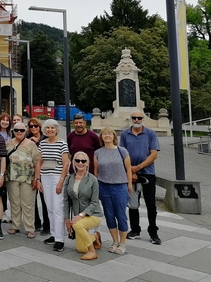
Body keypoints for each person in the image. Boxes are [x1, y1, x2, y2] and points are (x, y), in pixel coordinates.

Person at [119, 110, 161, 245]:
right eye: (134, 118)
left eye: (139, 118)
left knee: (151, 204)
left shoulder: (150, 134)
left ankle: (153, 232)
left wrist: (137, 168)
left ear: (143, 119)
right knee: (132, 203)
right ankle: (135, 229)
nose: (136, 120)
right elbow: (123, 154)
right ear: (131, 119)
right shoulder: (125, 134)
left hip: (147, 173)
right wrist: (131, 171)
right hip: (130, 173)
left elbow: (154, 154)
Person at [94, 127, 133, 255]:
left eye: (109, 133)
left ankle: (122, 243)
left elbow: (128, 169)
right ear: (101, 137)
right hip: (104, 186)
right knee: (109, 215)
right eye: (104, 134)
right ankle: (114, 241)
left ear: (114, 136)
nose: (107, 136)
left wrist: (129, 184)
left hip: (120, 186)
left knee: (120, 215)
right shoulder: (98, 153)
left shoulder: (122, 151)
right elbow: (96, 171)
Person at [63, 151, 104, 260]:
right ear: (74, 162)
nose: (80, 163)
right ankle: (95, 236)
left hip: (93, 214)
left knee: (77, 225)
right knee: (81, 249)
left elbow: (95, 202)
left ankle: (92, 252)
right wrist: (67, 219)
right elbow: (66, 200)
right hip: (78, 215)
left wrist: (81, 215)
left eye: (83, 161)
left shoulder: (92, 179)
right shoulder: (69, 179)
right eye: (77, 160)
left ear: (87, 163)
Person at [37, 119, 70, 252]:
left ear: (56, 129)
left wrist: (61, 181)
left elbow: (66, 163)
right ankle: (53, 233)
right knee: (49, 207)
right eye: (48, 128)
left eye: (52, 128)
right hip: (45, 176)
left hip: (57, 177)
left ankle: (60, 239)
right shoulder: (42, 144)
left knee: (57, 208)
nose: (50, 130)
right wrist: (38, 179)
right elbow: (39, 162)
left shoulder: (62, 144)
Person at [6, 121, 40, 238]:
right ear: (13, 131)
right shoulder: (8, 144)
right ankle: (15, 225)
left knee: (28, 203)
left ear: (25, 131)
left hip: (28, 178)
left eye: (21, 130)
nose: (19, 132)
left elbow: (37, 162)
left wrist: (37, 178)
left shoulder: (31, 144)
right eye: (16, 130)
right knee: (14, 202)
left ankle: (30, 228)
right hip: (12, 178)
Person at [27, 117, 50, 235]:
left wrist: (38, 143)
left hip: (44, 172)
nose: (33, 128)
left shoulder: (45, 139)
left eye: (36, 126)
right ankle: (36, 222)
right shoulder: (26, 139)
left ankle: (47, 224)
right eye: (31, 126)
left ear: (40, 127)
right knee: (32, 200)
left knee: (44, 199)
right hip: (31, 173)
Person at [0, 112, 12, 222]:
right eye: (3, 120)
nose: (5, 122)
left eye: (7, 120)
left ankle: (4, 211)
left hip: (9, 165)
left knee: (4, 190)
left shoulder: (12, 134)